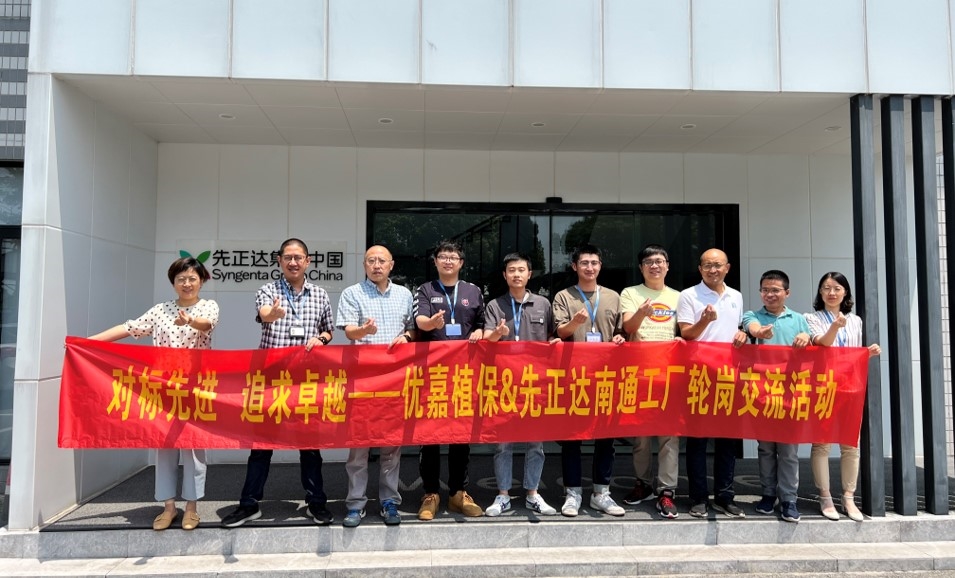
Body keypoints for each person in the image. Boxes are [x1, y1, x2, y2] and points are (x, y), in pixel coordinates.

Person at [89, 257, 219, 531]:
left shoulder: (208, 306)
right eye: (181, 279)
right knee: (164, 447)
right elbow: (129, 328)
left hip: (194, 388)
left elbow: (207, 324)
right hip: (162, 388)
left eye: (192, 278)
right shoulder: (160, 310)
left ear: (201, 281)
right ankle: (169, 507)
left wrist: (190, 320)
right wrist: (87, 342)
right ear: (173, 283)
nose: (187, 284)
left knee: (194, 449)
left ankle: (192, 508)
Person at [221, 238, 335, 528]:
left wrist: (321, 339)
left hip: (306, 381)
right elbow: (264, 314)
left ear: (308, 261)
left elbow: (329, 330)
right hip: (272, 380)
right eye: (288, 257)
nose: (293, 262)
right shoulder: (268, 290)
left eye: (298, 257)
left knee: (310, 446)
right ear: (279, 261)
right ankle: (249, 504)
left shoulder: (320, 294)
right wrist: (272, 314)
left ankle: (316, 502)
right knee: (261, 445)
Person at [336, 245, 415, 528]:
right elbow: (348, 331)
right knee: (359, 446)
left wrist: (407, 336)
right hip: (363, 381)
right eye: (371, 260)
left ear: (391, 265)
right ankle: (355, 504)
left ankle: (389, 501)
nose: (377, 265)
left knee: (391, 447)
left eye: (382, 260)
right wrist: (364, 331)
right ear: (364, 265)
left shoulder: (405, 294)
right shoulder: (352, 293)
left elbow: (413, 328)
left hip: (395, 380)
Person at [482, 252, 559, 517]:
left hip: (535, 384)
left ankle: (532, 494)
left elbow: (551, 336)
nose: (516, 274)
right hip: (504, 384)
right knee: (503, 443)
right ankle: (503, 495)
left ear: (529, 274)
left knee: (535, 443)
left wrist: (555, 343)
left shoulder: (543, 304)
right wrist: (497, 333)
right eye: (512, 270)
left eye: (521, 270)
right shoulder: (495, 305)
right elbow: (487, 339)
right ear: (505, 275)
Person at [552, 244, 626, 517]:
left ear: (600, 266)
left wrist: (620, 337)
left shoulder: (613, 297)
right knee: (572, 438)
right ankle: (572, 493)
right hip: (575, 377)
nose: (590, 267)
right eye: (584, 263)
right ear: (575, 266)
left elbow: (621, 331)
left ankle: (601, 493)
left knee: (605, 438)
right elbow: (560, 332)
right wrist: (575, 323)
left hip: (606, 376)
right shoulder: (564, 296)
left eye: (594, 263)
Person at [414, 240, 485, 520]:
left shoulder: (473, 290)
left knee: (460, 436)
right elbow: (419, 321)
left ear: (461, 263)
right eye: (443, 256)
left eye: (453, 257)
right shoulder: (425, 289)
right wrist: (432, 323)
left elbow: (481, 323)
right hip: (433, 374)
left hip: (464, 374)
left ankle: (458, 493)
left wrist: (480, 332)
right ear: (435, 261)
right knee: (429, 436)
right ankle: (430, 493)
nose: (447, 261)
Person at [676, 248, 748, 519]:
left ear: (727, 268)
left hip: (729, 376)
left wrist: (741, 335)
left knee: (728, 441)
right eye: (707, 265)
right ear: (700, 269)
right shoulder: (688, 295)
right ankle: (698, 498)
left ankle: (725, 496)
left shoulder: (736, 296)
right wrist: (704, 321)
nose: (712, 270)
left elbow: (734, 330)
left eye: (717, 265)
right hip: (700, 376)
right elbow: (686, 334)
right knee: (697, 441)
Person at [805, 272, 881, 522]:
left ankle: (848, 497)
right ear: (820, 292)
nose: (831, 293)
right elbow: (822, 344)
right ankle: (825, 496)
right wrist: (835, 327)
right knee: (822, 443)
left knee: (850, 444)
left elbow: (852, 354)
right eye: (826, 288)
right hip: (824, 386)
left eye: (837, 288)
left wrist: (867, 353)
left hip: (850, 387)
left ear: (845, 292)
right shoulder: (812, 318)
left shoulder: (855, 320)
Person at [742, 269, 811, 524]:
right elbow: (752, 328)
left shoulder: (799, 320)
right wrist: (759, 333)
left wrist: (806, 337)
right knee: (766, 449)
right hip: (762, 393)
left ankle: (789, 499)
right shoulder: (752, 315)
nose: (769, 294)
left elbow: (813, 347)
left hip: (791, 393)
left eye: (775, 290)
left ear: (787, 293)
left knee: (789, 451)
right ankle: (768, 494)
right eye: (765, 290)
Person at [619, 244, 681, 520]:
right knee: (641, 438)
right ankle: (642, 483)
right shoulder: (630, 293)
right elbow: (628, 328)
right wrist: (642, 312)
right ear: (641, 268)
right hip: (640, 374)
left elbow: (686, 332)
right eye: (649, 262)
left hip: (670, 375)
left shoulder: (679, 297)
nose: (654, 266)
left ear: (667, 266)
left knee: (669, 437)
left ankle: (666, 492)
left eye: (659, 261)